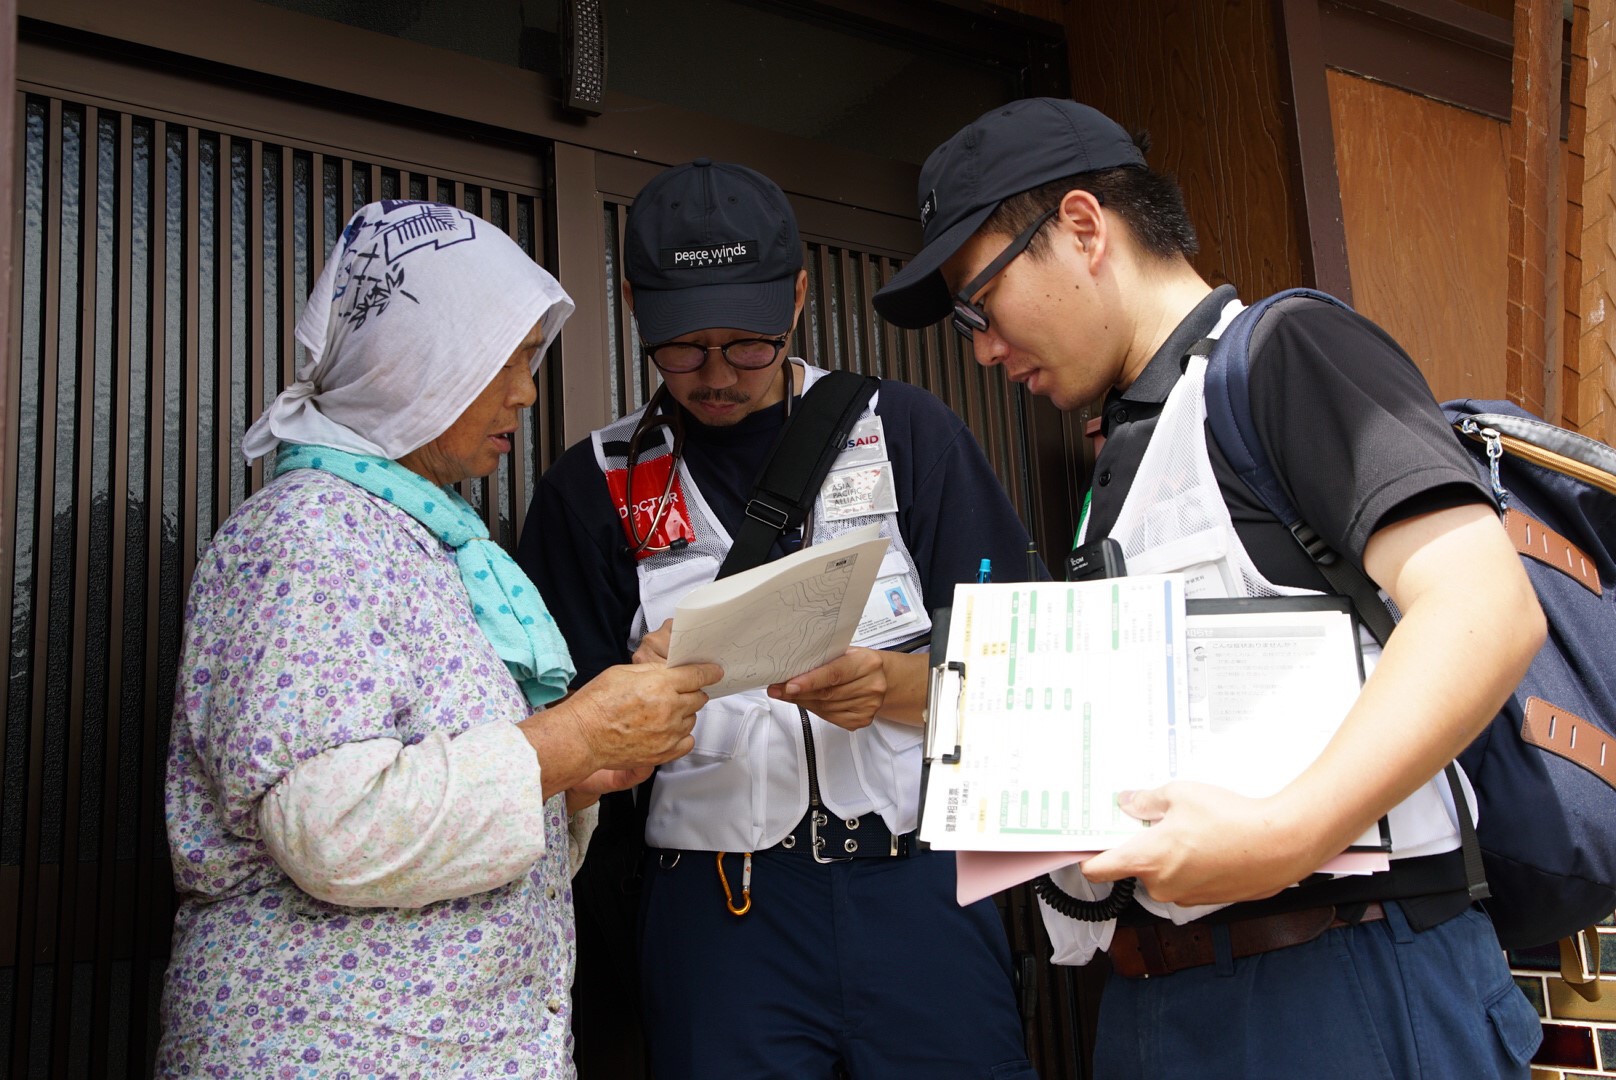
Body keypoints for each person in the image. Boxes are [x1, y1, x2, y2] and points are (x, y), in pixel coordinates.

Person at [872, 98, 1547, 1079]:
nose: (979, 347)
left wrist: (1288, 832)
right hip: (1161, 993)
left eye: (978, 304)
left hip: (1338, 974)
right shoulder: (1123, 455)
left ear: (1079, 227)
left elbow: (1482, 604)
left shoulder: (1282, 353)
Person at [158, 200, 721, 1077]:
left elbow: (452, 780)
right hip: (335, 1047)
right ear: (414, 365)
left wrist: (582, 773)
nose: (528, 392)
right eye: (506, 361)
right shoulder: (311, 534)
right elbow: (330, 826)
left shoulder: (425, 539)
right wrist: (566, 739)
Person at [519, 160, 1039, 1079]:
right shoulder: (591, 487)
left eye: (747, 345)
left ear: (798, 298)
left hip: (914, 888)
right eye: (681, 347)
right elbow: (552, 748)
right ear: (633, 304)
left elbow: (1038, 665)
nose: (716, 376)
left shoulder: (905, 433)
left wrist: (900, 686)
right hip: (719, 914)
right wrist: (626, 710)